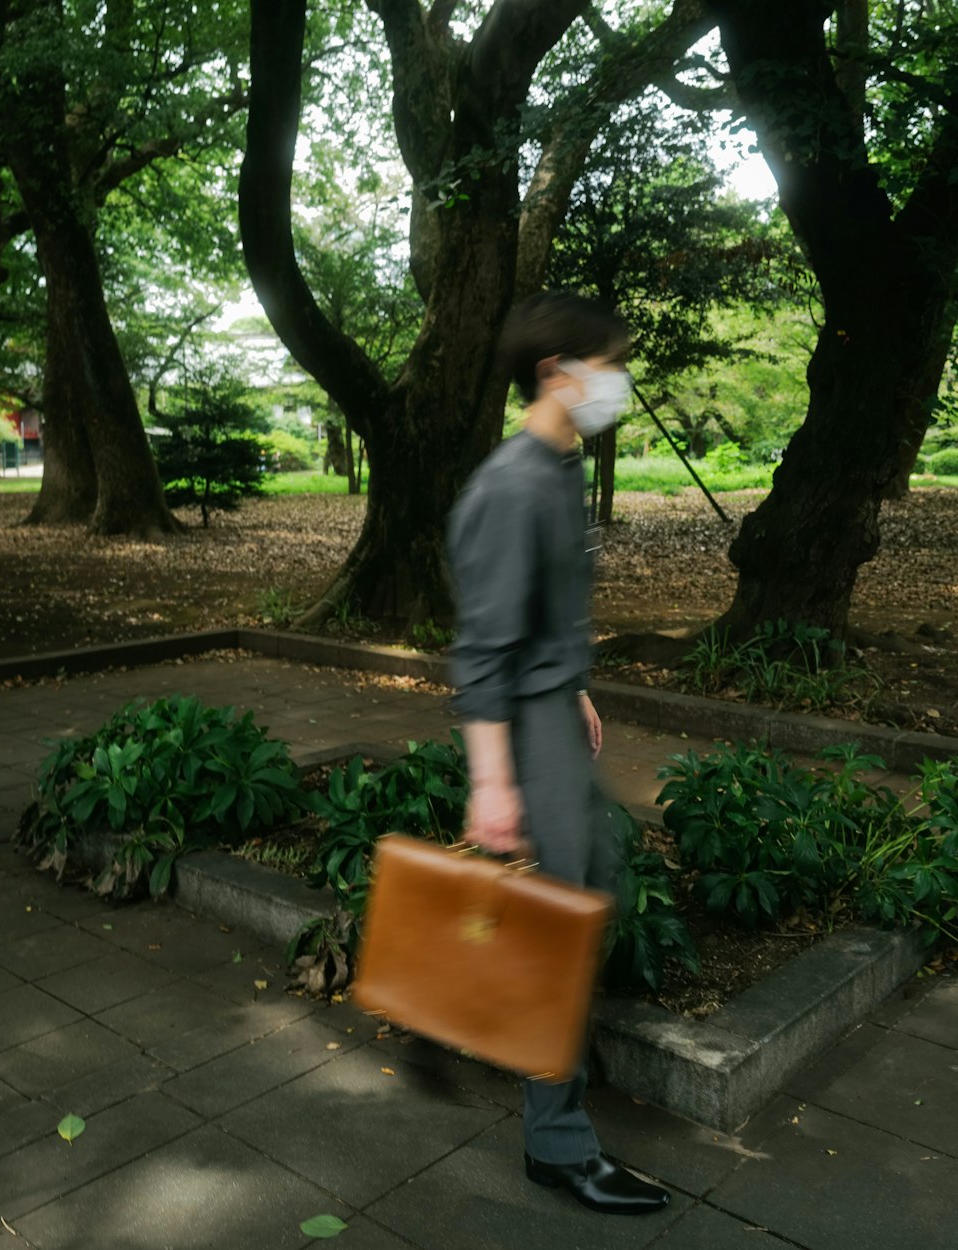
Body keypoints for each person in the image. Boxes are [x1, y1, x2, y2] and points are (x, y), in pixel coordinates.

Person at [446, 290, 670, 1216]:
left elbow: (541, 610)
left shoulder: (559, 464)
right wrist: (493, 786)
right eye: (609, 366)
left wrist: (572, 682)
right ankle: (558, 1144)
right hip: (521, 732)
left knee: (591, 896)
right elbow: (480, 653)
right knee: (561, 928)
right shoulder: (510, 484)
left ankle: (476, 1019)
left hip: (551, 710)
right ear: (558, 374)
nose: (618, 383)